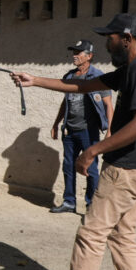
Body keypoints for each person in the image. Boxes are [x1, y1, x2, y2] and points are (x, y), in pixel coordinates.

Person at [10, 13, 136, 270]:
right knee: (122, 236)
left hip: (126, 169)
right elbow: (82, 85)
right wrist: (34, 80)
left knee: (91, 233)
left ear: (125, 38)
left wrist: (93, 150)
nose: (105, 43)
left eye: (109, 37)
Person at [50, 40, 114, 213]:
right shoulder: (70, 76)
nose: (75, 56)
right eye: (74, 52)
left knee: (91, 169)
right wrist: (56, 123)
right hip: (69, 130)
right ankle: (69, 202)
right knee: (68, 166)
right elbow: (65, 102)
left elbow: (108, 104)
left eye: (79, 53)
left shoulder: (98, 77)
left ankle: (90, 205)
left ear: (89, 56)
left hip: (89, 131)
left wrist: (109, 130)